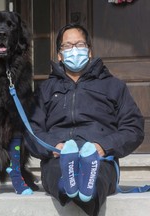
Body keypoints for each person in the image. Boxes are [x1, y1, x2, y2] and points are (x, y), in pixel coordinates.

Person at [25, 23, 144, 216]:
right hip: (59, 156)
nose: (74, 50)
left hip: (100, 157)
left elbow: (133, 128)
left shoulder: (113, 86)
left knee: (98, 174)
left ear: (89, 51)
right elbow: (31, 130)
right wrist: (54, 147)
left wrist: (103, 146)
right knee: (57, 171)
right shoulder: (45, 90)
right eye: (68, 46)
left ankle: (82, 182)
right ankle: (71, 182)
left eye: (79, 44)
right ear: (59, 55)